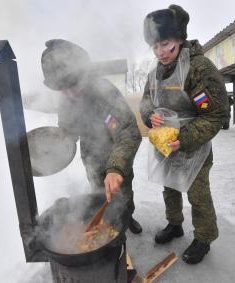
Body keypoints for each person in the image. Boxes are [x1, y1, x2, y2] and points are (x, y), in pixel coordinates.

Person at [139, 5, 229, 264]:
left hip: (193, 145)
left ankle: (204, 237)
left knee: (197, 194)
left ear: (179, 38)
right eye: (154, 47)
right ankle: (174, 224)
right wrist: (150, 116)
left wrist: (185, 139)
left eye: (165, 44)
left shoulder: (199, 68)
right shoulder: (155, 71)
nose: (160, 52)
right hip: (165, 143)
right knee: (169, 187)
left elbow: (215, 114)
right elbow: (146, 102)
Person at [41, 39, 143, 234]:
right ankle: (108, 224)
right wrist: (59, 143)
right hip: (91, 157)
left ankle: (127, 217)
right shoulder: (66, 99)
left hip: (117, 152)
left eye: (74, 84)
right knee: (98, 195)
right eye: (64, 89)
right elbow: (67, 129)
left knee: (123, 193)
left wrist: (116, 168)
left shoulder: (104, 92)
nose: (70, 93)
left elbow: (128, 132)